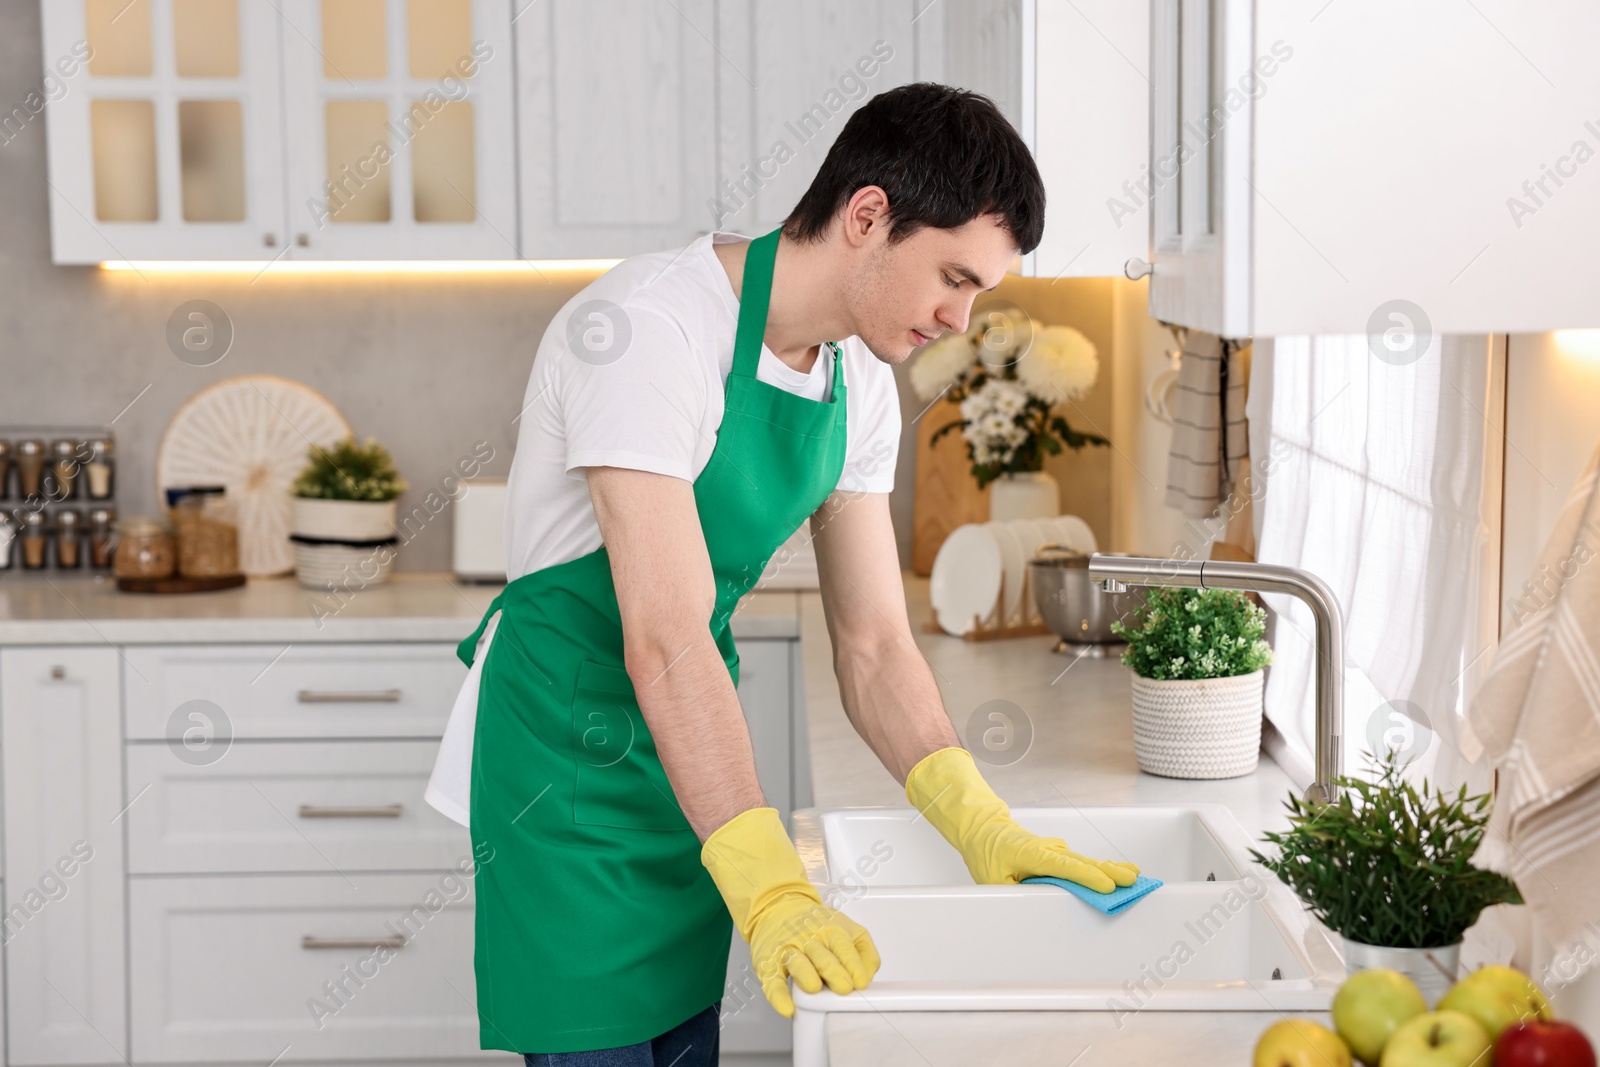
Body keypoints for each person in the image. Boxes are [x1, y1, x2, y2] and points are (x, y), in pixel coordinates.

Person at [425, 81, 1140, 1066]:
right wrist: (767, 882)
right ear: (866, 214)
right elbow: (665, 634)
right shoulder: (648, 329)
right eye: (953, 276)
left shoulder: (857, 387)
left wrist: (976, 818)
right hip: (566, 765)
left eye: (979, 293)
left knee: (680, 1038)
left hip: (695, 765)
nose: (959, 317)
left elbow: (875, 644)